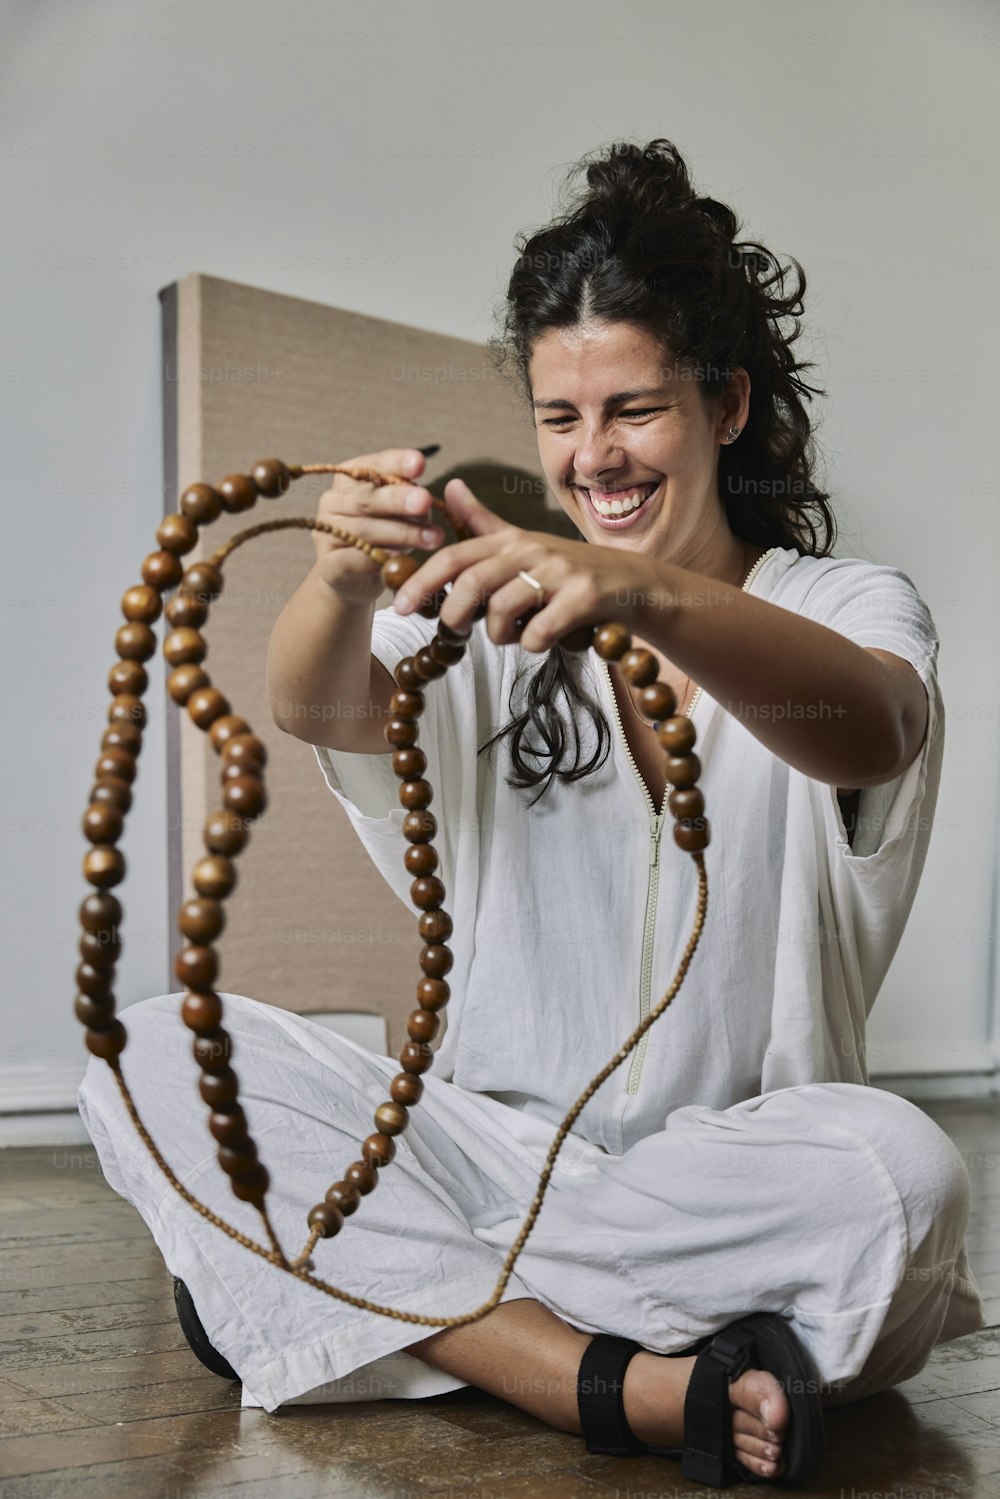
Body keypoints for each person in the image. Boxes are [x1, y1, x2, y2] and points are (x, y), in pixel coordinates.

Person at [77, 138, 985, 1489]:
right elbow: (317, 712)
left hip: (721, 1182)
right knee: (146, 1058)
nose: (595, 458)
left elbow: (871, 724)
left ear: (726, 406)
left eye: (636, 410)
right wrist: (334, 580)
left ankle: (360, 1305)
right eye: (562, 420)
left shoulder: (841, 608)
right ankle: (599, 1379)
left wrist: (636, 595)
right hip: (484, 1152)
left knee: (907, 1184)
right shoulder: (494, 627)